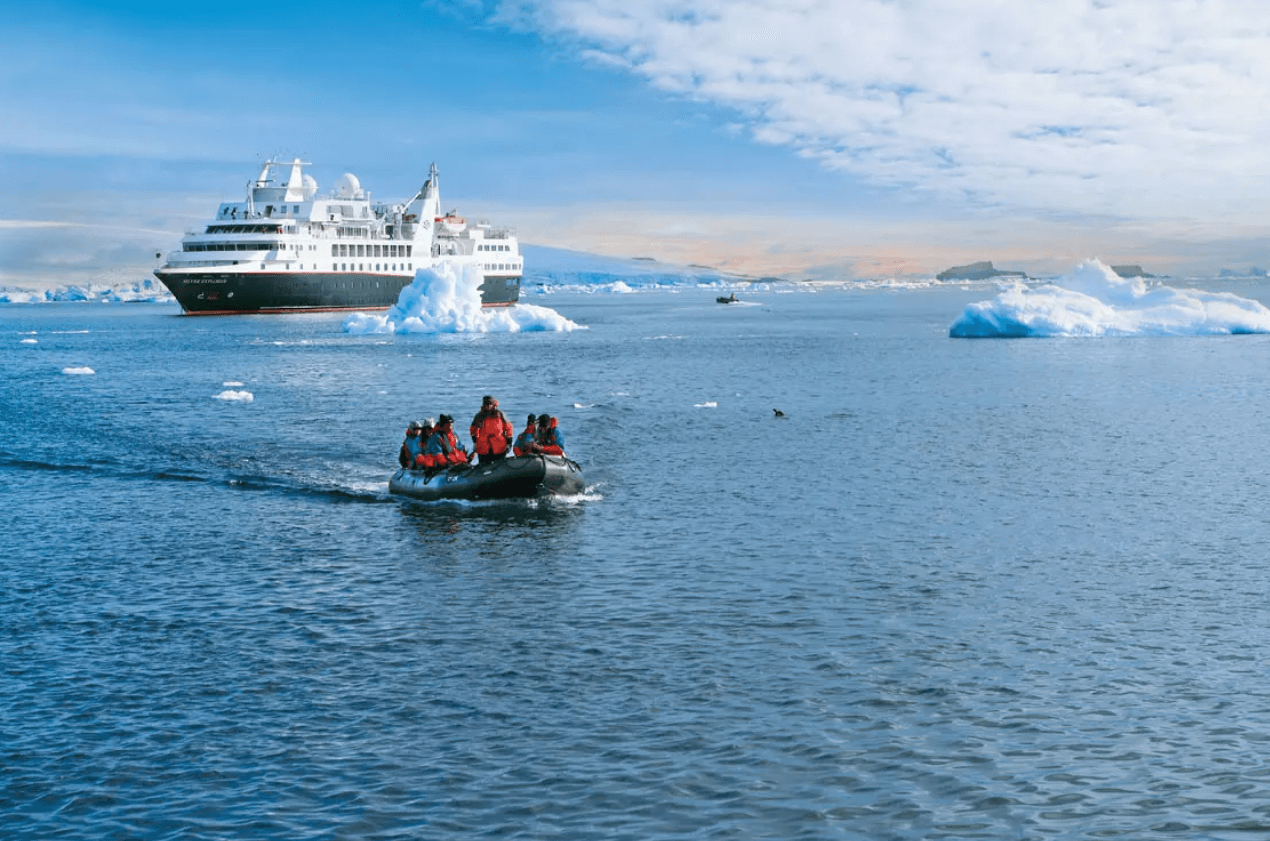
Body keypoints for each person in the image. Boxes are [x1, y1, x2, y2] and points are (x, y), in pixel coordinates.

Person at [469, 395, 514, 464]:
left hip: (499, 446)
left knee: (499, 465)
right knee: (483, 466)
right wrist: (475, 442)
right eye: (486, 404)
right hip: (483, 447)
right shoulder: (479, 416)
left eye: (490, 404)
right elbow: (473, 430)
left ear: (493, 404)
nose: (488, 406)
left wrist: (509, 442)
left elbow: (508, 428)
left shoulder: (500, 414)